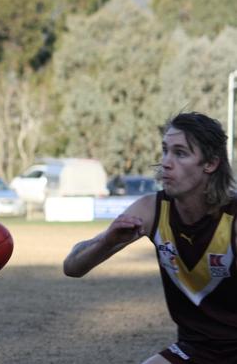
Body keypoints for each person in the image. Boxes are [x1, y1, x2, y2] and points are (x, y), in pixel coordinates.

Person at [63, 112, 237, 363]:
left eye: (180, 153)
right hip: (194, 349)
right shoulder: (151, 210)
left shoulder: (231, 219)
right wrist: (107, 241)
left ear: (210, 163)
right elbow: (72, 267)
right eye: (165, 150)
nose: (166, 162)